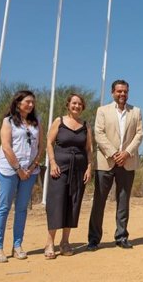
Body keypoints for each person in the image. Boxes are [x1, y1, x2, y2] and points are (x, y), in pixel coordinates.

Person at [87, 79, 143, 251]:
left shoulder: (136, 111)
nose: (122, 94)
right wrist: (114, 153)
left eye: (125, 91)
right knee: (99, 202)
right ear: (113, 92)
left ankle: (121, 236)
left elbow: (140, 134)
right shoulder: (102, 111)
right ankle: (94, 239)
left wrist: (126, 153)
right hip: (106, 162)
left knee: (123, 201)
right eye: (119, 91)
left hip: (127, 162)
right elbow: (99, 133)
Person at [0, 90, 44, 263]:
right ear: (18, 102)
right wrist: (19, 169)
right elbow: (6, 147)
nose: (30, 105)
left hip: (30, 172)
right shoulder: (8, 122)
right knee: (4, 208)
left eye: (32, 102)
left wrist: (32, 166)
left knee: (21, 209)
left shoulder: (36, 123)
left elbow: (40, 147)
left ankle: (17, 245)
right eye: (27, 101)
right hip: (9, 170)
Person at [44, 93, 93, 259]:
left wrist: (89, 168)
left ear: (82, 106)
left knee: (73, 204)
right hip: (59, 168)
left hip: (79, 169)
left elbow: (88, 149)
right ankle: (50, 242)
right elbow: (49, 143)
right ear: (68, 105)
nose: (76, 106)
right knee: (56, 203)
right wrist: (52, 163)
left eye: (79, 104)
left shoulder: (85, 126)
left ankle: (65, 242)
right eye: (74, 103)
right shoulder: (59, 121)